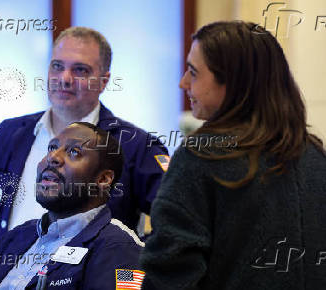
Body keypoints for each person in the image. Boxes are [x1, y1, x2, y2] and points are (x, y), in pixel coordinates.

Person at [140, 21, 326, 289]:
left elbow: (169, 274)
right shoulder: (316, 156)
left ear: (233, 82)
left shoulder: (200, 157)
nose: (183, 83)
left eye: (193, 72)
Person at [0, 26, 169, 252]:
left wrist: (134, 264)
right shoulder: (10, 134)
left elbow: (178, 220)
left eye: (80, 70)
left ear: (104, 81)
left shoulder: (134, 145)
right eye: (57, 66)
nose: (65, 79)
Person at [0, 122, 145, 289]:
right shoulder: (17, 235)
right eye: (51, 147)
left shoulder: (121, 248)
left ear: (103, 179)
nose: (53, 157)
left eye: (74, 151)